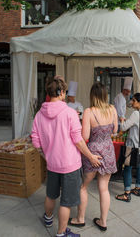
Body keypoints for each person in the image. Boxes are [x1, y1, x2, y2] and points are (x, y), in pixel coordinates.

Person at [31, 76, 102, 237]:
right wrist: (91, 156)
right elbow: (78, 140)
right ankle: (62, 233)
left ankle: (48, 218)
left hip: (52, 164)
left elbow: (35, 141)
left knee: (51, 194)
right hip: (70, 165)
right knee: (66, 202)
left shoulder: (39, 115)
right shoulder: (70, 113)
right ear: (62, 92)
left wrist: (46, 156)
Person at [68, 82, 118, 232]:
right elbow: (115, 131)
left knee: (83, 187)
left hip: (93, 153)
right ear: (105, 95)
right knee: (104, 188)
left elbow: (85, 136)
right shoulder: (112, 109)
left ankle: (80, 218)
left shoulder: (89, 111)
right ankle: (103, 221)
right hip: (108, 151)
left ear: (92, 95)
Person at [115, 93, 140, 202]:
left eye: (134, 100)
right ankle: (137, 188)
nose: (132, 102)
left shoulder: (136, 114)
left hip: (133, 146)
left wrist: (122, 120)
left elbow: (125, 127)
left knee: (127, 168)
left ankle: (127, 193)